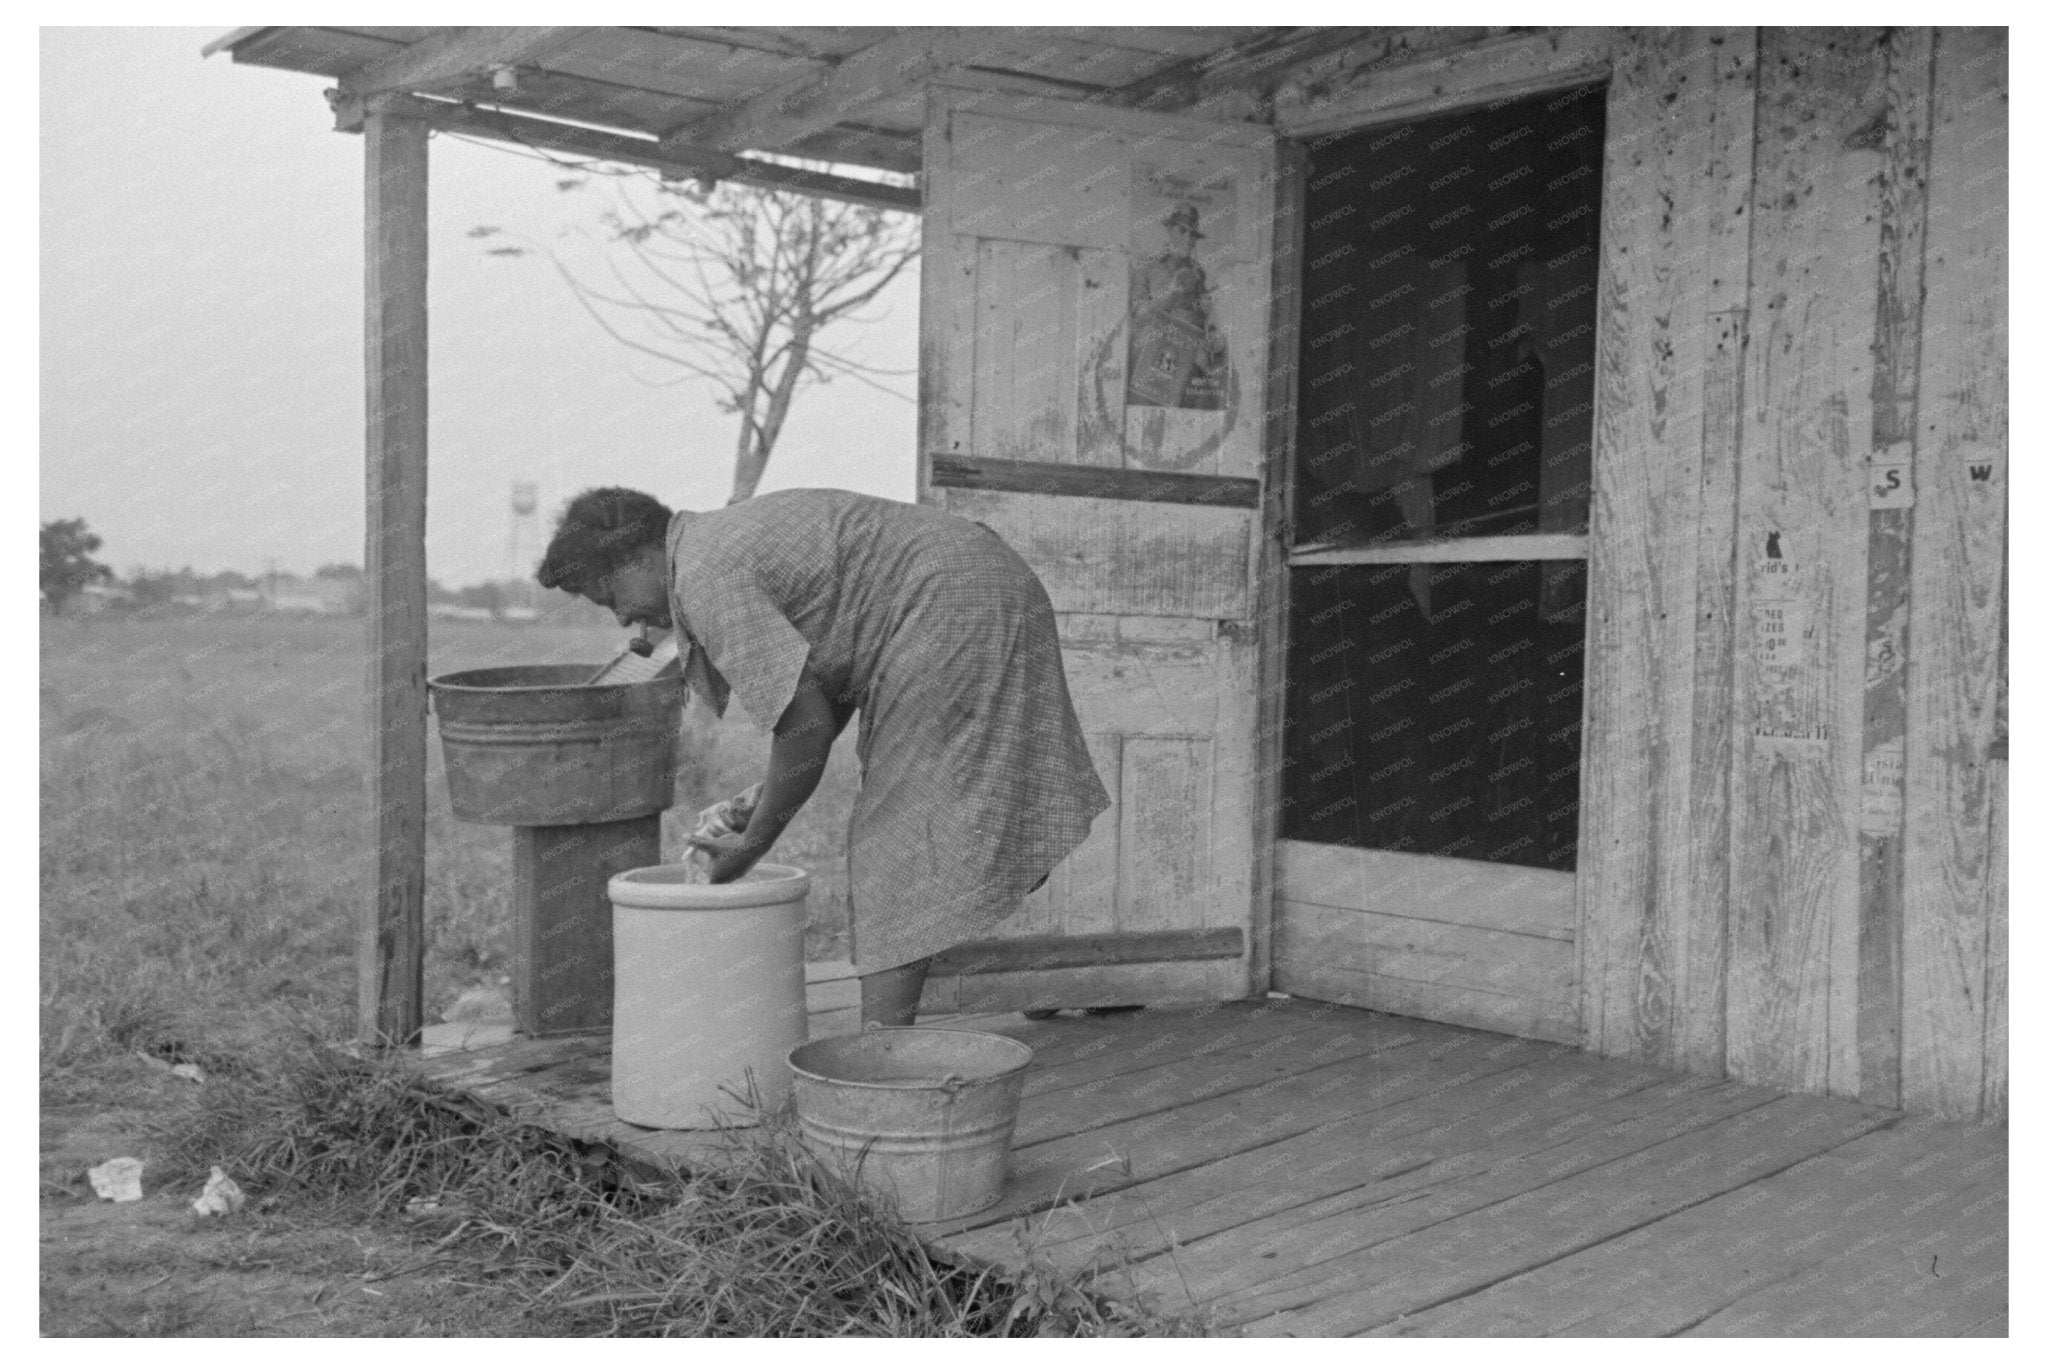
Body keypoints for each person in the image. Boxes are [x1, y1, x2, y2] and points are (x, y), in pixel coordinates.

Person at [537, 486, 1111, 1027]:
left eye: (611, 598)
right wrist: (762, 796)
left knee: (898, 837)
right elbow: (821, 692)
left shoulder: (704, 576)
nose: (622, 622)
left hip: (956, 601)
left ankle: (879, 1058)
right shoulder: (714, 545)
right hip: (979, 583)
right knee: (930, 825)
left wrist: (752, 844)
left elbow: (805, 727)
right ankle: (1014, 952)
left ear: (637, 554)